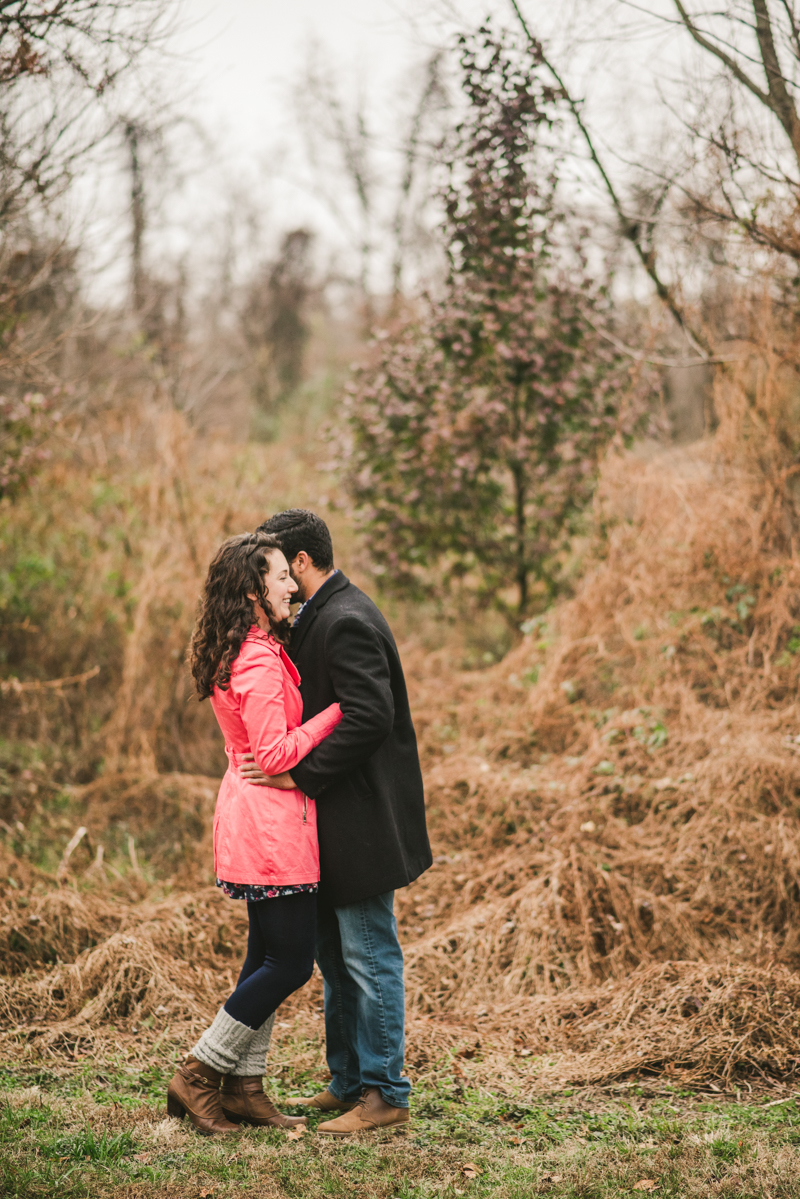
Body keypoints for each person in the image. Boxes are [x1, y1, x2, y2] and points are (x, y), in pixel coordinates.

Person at [240, 508, 432, 1137]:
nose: (286, 590)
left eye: (282, 570)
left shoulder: (346, 620)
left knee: (370, 956)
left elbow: (369, 715)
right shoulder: (323, 615)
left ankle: (386, 1094)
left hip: (363, 823)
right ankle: (349, 1083)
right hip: (332, 825)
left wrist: (302, 774)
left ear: (298, 562)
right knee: (338, 958)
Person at [166, 531, 343, 1136]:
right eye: (279, 576)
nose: (292, 584)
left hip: (256, 820)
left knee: (263, 958)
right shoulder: (258, 659)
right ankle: (200, 1072)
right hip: (271, 829)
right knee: (291, 962)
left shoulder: (244, 647)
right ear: (252, 591)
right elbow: (272, 754)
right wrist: (336, 712)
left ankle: (244, 1088)